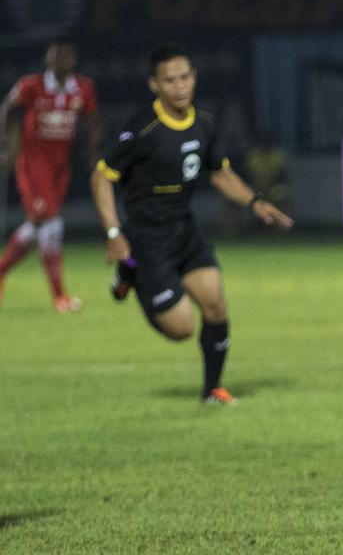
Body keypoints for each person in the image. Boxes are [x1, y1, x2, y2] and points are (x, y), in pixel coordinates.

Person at [89, 44, 293, 405]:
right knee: (181, 329)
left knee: (215, 305)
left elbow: (220, 173)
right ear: (154, 85)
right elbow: (102, 176)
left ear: (194, 78)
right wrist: (113, 232)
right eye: (170, 80)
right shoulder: (143, 128)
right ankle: (132, 274)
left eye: (185, 77)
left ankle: (212, 391)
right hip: (148, 238)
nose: (180, 86)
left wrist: (255, 202)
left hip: (185, 231)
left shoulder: (204, 123)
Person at [0, 40, 100, 311]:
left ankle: (1, 270)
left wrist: (92, 154)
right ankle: (60, 297)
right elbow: (7, 108)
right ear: (48, 60)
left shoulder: (83, 88)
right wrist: (6, 146)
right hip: (32, 164)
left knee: (37, 225)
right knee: (53, 223)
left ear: (73, 59)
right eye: (55, 56)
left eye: (66, 56)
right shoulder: (31, 85)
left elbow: (92, 121)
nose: (61, 60)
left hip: (60, 165)